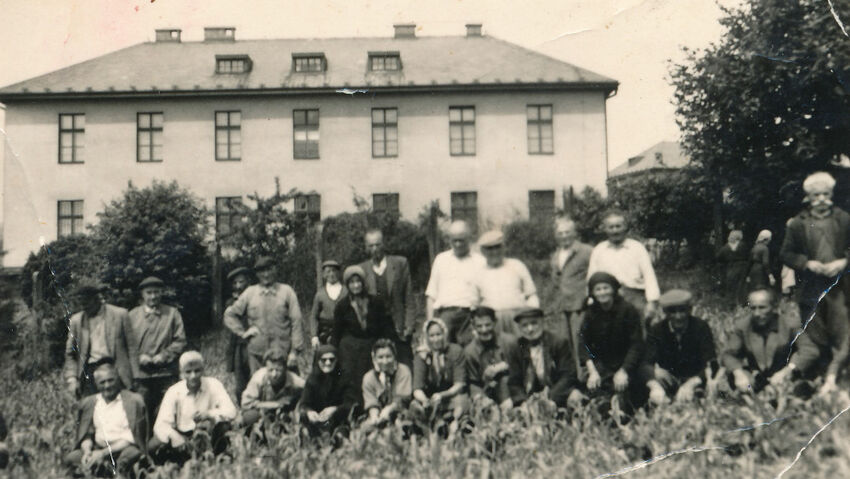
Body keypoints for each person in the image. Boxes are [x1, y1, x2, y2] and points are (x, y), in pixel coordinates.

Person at [780, 171, 850, 396]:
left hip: (839, 287)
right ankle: (818, 377)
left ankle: (838, 376)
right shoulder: (798, 224)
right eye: (816, 195)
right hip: (811, 288)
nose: (821, 199)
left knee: (842, 331)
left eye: (825, 194)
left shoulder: (843, 219)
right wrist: (806, 263)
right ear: (808, 197)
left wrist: (843, 262)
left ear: (832, 195)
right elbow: (785, 253)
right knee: (815, 332)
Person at [64, 361, 148, 478]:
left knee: (127, 460)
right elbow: (87, 434)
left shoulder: (132, 401)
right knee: (71, 459)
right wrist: (87, 451)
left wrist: (102, 454)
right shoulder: (92, 403)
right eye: (102, 382)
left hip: (122, 449)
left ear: (118, 380)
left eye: (110, 380)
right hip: (97, 448)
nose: (107, 386)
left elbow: (130, 437)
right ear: (96, 385)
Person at [150, 351, 237, 463]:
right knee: (154, 446)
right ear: (181, 374)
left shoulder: (214, 385)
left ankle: (217, 458)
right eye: (188, 372)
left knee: (224, 426)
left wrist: (209, 413)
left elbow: (231, 411)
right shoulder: (174, 392)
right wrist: (176, 437)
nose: (193, 376)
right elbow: (160, 425)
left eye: (197, 371)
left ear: (203, 370)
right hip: (182, 436)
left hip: (208, 434)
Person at [224, 256, 304, 374]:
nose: (266, 275)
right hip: (257, 354)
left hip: (282, 353)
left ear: (275, 270)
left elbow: (296, 321)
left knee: (288, 387)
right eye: (262, 271)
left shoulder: (287, 291)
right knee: (259, 386)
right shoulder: (250, 292)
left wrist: (294, 351)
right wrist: (243, 333)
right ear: (257, 274)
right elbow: (229, 315)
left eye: (269, 270)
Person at [721, 289, 810, 393]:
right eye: (753, 308)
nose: (757, 313)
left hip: (785, 377)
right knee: (743, 388)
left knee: (797, 391)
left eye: (762, 308)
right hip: (757, 378)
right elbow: (729, 354)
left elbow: (808, 349)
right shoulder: (743, 326)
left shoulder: (790, 324)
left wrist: (788, 370)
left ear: (774, 307)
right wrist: (738, 373)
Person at [579, 272, 645, 412]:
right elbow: (583, 343)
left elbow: (636, 344)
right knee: (595, 395)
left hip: (627, 363)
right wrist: (592, 371)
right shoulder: (591, 313)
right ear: (593, 293)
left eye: (606, 288)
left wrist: (624, 371)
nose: (602, 292)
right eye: (598, 289)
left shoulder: (628, 310)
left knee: (626, 397)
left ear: (613, 289)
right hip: (602, 364)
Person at [125, 276, 187, 417]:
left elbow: (180, 340)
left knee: (168, 411)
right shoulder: (132, 315)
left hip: (166, 373)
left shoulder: (172, 313)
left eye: (156, 292)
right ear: (142, 294)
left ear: (161, 293)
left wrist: (164, 356)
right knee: (142, 411)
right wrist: (139, 357)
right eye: (149, 293)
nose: (153, 296)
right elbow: (126, 344)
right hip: (142, 375)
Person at [587, 210, 660, 329]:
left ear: (625, 227)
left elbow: (649, 276)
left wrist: (652, 302)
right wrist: (591, 301)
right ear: (605, 229)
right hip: (607, 299)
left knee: (638, 333)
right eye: (611, 227)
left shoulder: (637, 248)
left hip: (635, 297)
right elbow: (591, 278)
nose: (615, 230)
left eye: (618, 226)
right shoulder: (599, 250)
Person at [643, 289, 717, 405]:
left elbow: (711, 362)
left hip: (694, 379)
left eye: (682, 311)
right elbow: (646, 362)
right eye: (672, 312)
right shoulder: (657, 330)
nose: (678, 317)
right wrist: (654, 374)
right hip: (668, 381)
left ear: (690, 310)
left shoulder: (701, 327)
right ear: (665, 313)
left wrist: (692, 383)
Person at [332, 265, 399, 393]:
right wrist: (333, 352)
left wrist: (392, 344)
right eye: (352, 282)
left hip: (372, 342)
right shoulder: (342, 306)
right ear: (347, 285)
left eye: (358, 281)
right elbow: (336, 332)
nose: (356, 285)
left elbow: (386, 325)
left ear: (363, 282)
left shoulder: (376, 301)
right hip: (352, 347)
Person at [64, 280, 134, 398]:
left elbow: (132, 348)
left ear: (97, 299)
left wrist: (135, 376)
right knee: (92, 411)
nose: (85, 308)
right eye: (82, 305)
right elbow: (70, 353)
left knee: (118, 410)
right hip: (90, 372)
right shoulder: (77, 321)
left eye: (87, 304)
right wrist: (72, 379)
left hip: (116, 369)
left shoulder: (120, 315)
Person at [358, 229, 416, 365]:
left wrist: (409, 325)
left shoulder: (400, 263)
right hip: (373, 328)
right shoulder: (362, 269)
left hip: (397, 326)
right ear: (366, 247)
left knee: (403, 363)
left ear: (383, 244)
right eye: (371, 246)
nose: (375, 249)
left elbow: (408, 297)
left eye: (377, 245)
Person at [425, 220, 486, 345]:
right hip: (446, 315)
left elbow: (486, 295)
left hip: (470, 315)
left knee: (471, 352)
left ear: (468, 238)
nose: (458, 244)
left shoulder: (480, 261)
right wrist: (430, 324)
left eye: (461, 240)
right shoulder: (441, 259)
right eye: (454, 240)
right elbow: (431, 294)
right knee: (445, 354)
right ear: (449, 240)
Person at [505, 308, 581, 408]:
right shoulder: (516, 347)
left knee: (575, 398)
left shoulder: (558, 342)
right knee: (507, 407)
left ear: (542, 322)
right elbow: (514, 382)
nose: (530, 329)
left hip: (557, 391)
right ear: (519, 328)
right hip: (530, 395)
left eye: (534, 323)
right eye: (525, 325)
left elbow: (568, 376)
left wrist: (551, 398)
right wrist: (523, 402)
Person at [548, 217, 593, 373]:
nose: (564, 236)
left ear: (574, 233)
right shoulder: (556, 255)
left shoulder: (586, 251)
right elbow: (556, 281)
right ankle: (572, 377)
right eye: (560, 233)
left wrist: (590, 297)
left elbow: (594, 275)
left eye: (567, 232)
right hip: (562, 307)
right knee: (565, 343)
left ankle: (587, 376)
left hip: (580, 306)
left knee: (581, 342)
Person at [476, 230, 539, 337]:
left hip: (517, 317)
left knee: (522, 348)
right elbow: (475, 302)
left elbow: (531, 294)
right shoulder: (478, 272)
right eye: (490, 249)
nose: (494, 252)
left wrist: (531, 316)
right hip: (492, 320)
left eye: (497, 247)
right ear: (483, 252)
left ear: (503, 247)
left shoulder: (516, 265)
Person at [411, 318, 468, 432]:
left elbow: (459, 384)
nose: (436, 339)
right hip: (431, 398)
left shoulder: (456, 351)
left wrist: (443, 395)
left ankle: (454, 428)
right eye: (431, 336)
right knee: (414, 406)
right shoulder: (421, 355)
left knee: (461, 403)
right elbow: (417, 388)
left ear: (444, 334)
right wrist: (424, 400)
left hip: (451, 396)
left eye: (438, 334)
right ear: (426, 337)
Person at [464, 306, 516, 411]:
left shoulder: (510, 342)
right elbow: (473, 382)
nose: (484, 330)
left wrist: (502, 367)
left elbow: (521, 372)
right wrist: (481, 398)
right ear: (473, 326)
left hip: (512, 391)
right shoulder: (470, 351)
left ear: (495, 322)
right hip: (486, 393)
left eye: (488, 325)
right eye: (479, 326)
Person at [300, 344, 359, 437]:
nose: (328, 363)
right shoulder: (312, 379)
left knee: (340, 435)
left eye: (332, 359)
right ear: (318, 361)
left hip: (338, 420)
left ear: (337, 360)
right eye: (323, 360)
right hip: (317, 421)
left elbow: (351, 403)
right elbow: (304, 403)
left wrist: (335, 409)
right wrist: (310, 412)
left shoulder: (345, 378)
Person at [241, 347, 306, 428]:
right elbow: (245, 404)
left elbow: (309, 389)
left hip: (284, 410)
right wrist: (271, 405)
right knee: (249, 417)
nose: (274, 374)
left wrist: (297, 406)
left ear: (285, 368)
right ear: (266, 368)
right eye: (270, 370)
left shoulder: (293, 379)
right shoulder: (258, 379)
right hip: (262, 411)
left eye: (278, 370)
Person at [362, 339, 413, 429]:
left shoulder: (403, 371)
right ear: (374, 358)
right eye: (380, 357)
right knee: (366, 428)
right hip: (380, 414)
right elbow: (371, 402)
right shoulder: (369, 377)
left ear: (394, 356)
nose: (385, 361)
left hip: (400, 412)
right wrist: (374, 417)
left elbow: (403, 399)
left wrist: (388, 410)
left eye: (388, 356)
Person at [224, 266, 252, 405]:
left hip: (254, 344)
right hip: (239, 346)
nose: (238, 286)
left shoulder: (255, 297)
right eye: (235, 283)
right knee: (240, 384)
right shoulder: (231, 303)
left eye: (241, 282)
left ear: (248, 281)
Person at [309, 260, 347, 347]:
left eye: (334, 270)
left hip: (344, 332)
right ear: (323, 275)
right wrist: (314, 336)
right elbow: (314, 316)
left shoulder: (346, 291)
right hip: (325, 333)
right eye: (328, 271)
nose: (331, 274)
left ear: (339, 273)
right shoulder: (320, 294)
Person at [716, 230, 749, 304]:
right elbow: (748, 256)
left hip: (731, 268)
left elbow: (718, 257)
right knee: (742, 287)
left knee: (731, 287)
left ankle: (731, 304)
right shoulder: (743, 245)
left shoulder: (725, 247)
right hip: (743, 268)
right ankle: (743, 304)